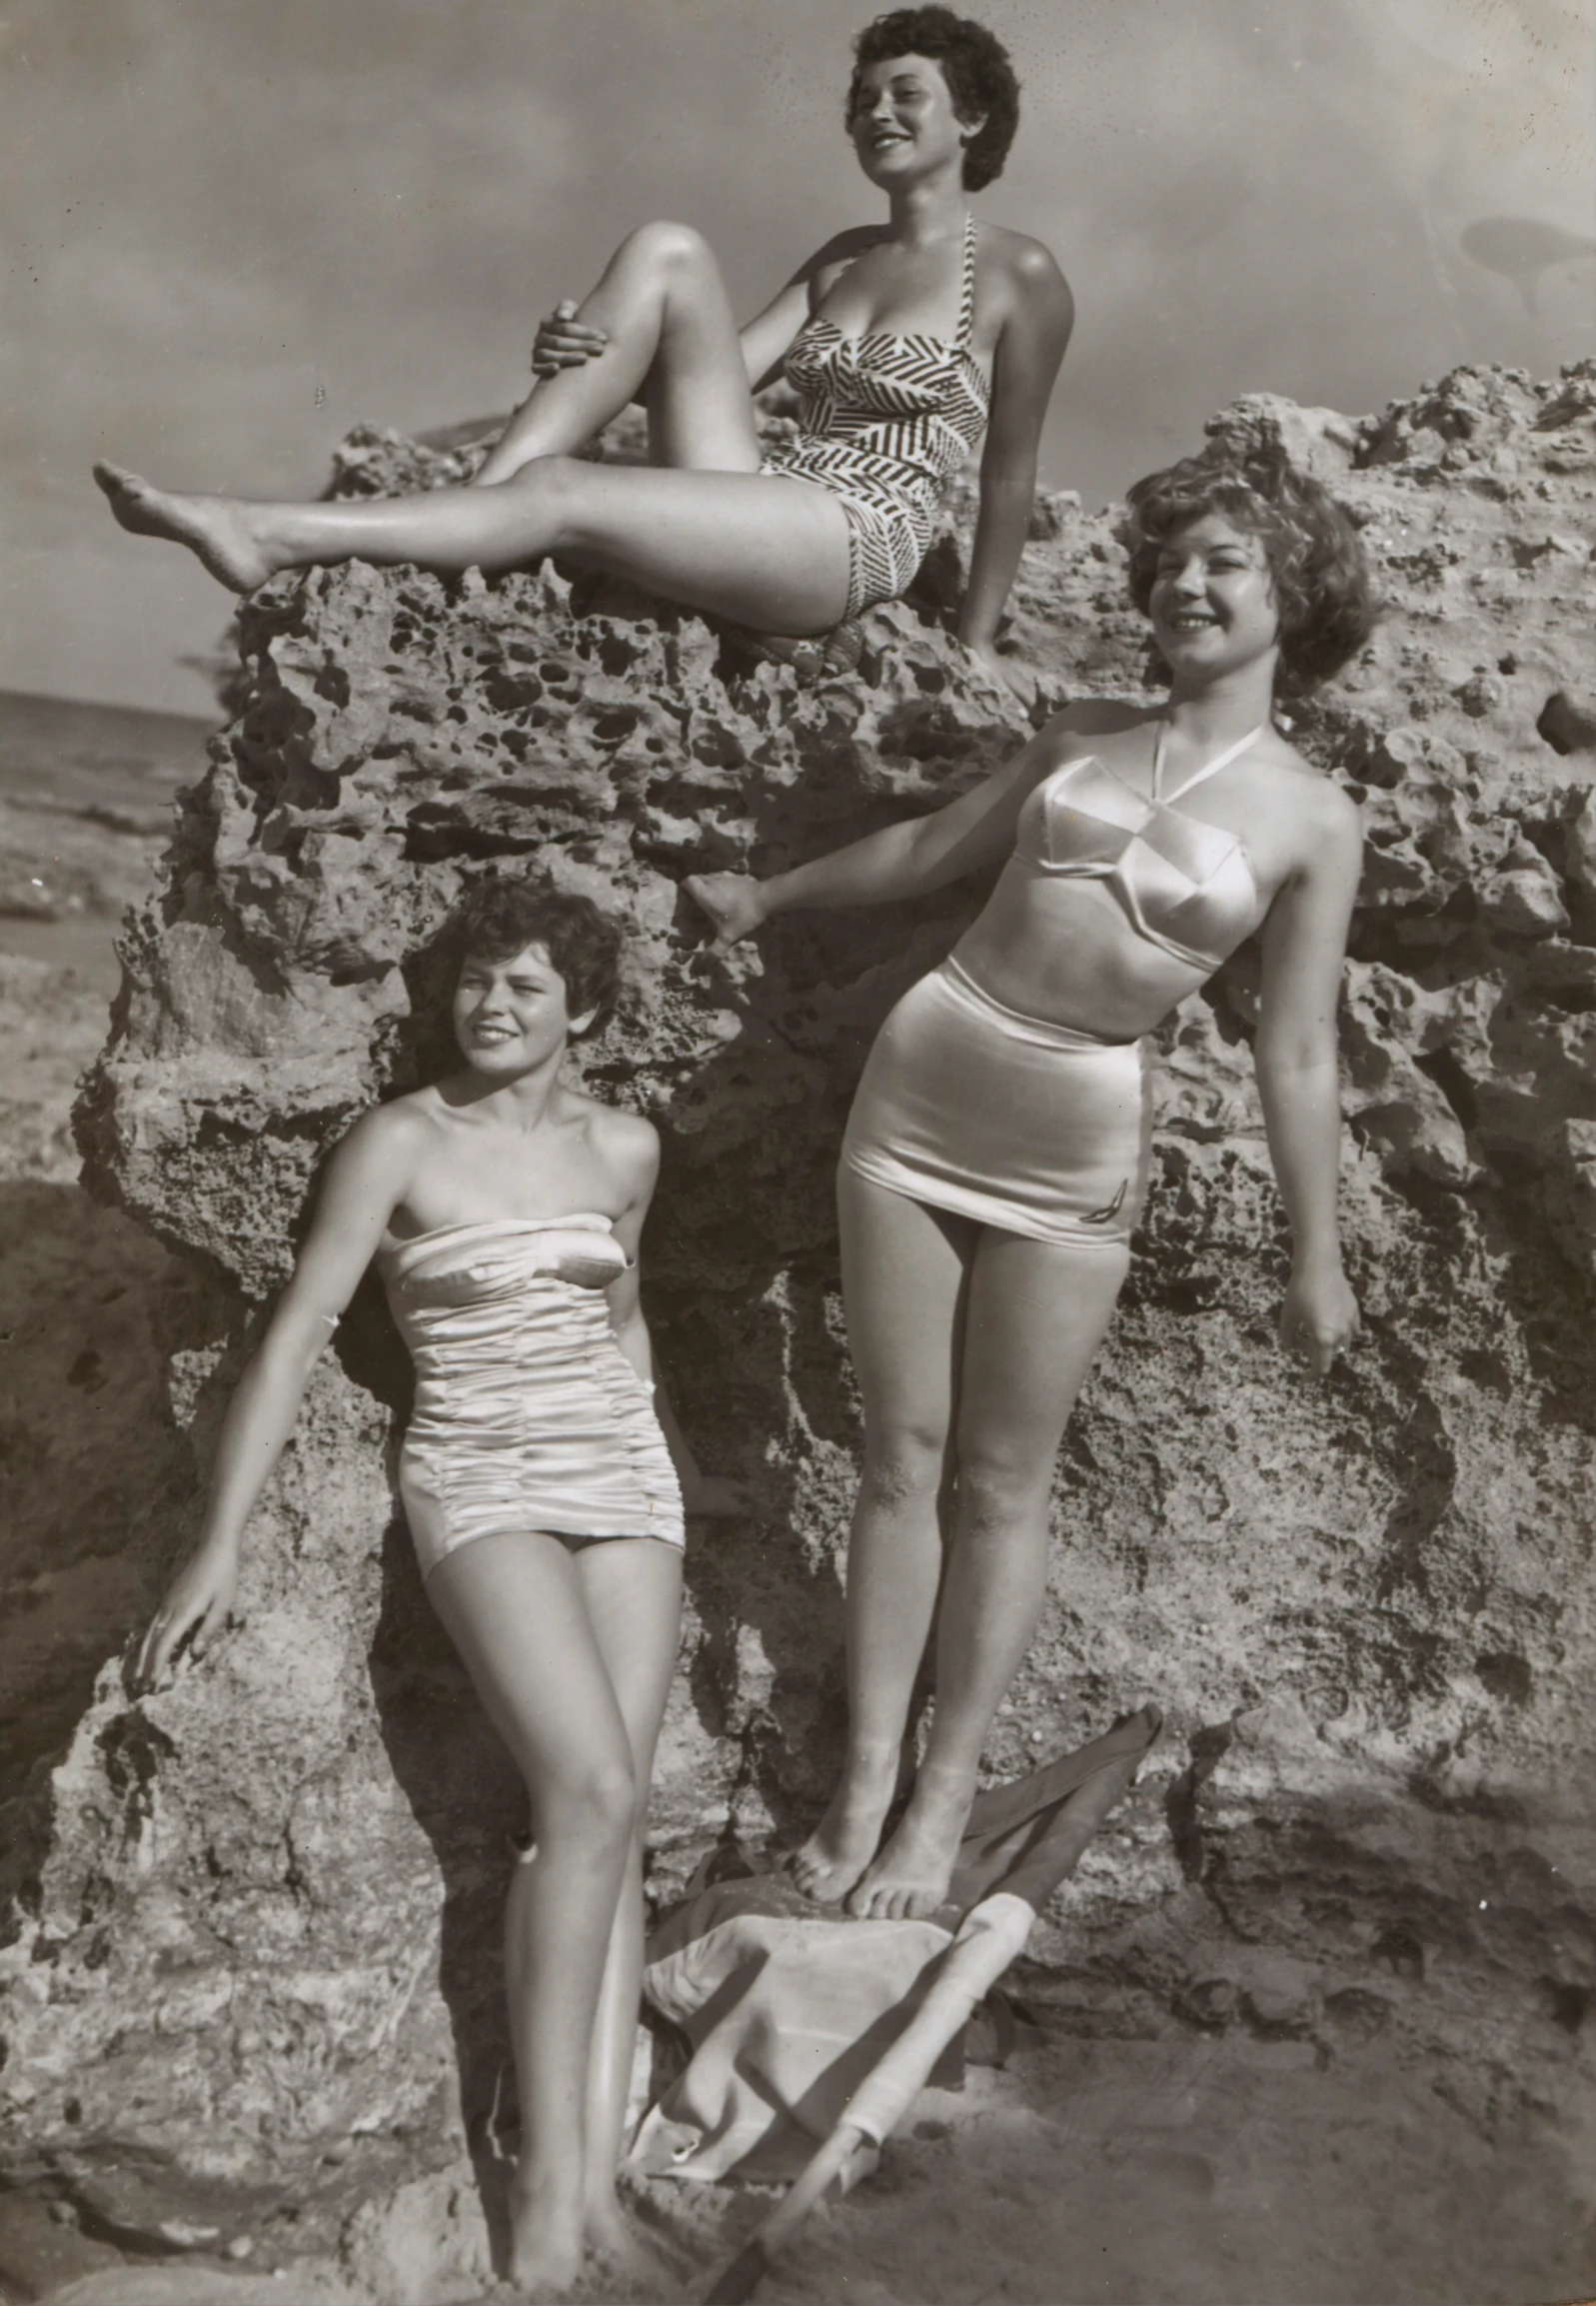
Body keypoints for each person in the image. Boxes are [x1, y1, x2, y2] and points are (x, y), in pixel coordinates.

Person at [686, 443, 1377, 1923]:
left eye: (1223, 565)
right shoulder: (1075, 730)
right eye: (1171, 559)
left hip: (1074, 1129)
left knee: (1000, 1481)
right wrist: (769, 894)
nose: (1183, 585)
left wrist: (1315, 1250)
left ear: (1295, 594)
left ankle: (941, 1796)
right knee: (894, 1454)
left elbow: (1301, 1049)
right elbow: (934, 850)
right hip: (924, 1077)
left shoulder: (1314, 819)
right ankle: (863, 1777)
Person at [137, 876, 741, 2296]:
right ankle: (542, 2203)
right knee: (586, 1790)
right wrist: (219, 1535)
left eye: (527, 984)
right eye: (477, 978)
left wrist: (672, 1457)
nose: (493, 1003)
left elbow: (622, 1309)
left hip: (622, 1480)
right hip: (478, 1471)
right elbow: (295, 1335)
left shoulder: (625, 1144)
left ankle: (591, 2183)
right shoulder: (399, 1139)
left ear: (583, 1008)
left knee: (616, 1809)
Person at [93, 8, 1069, 684]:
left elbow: (1008, 479)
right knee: (666, 249)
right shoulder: (840, 260)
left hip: (854, 539)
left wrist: (975, 646)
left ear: (971, 117)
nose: (873, 113)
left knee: (561, 493)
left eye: (904, 94)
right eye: (860, 98)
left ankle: (269, 533)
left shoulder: (1019, 273)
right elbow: (700, 375)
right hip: (769, 498)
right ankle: (484, 511)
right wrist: (584, 342)